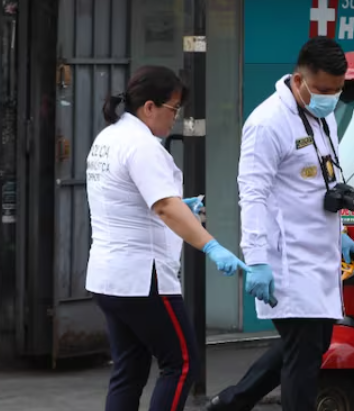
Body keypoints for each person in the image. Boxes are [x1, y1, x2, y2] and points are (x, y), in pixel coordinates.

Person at [205, 37, 354, 411]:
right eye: (324, 90)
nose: (331, 98)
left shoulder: (323, 117)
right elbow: (252, 195)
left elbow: (325, 180)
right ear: (298, 79)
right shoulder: (267, 123)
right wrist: (257, 260)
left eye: (338, 90)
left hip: (320, 252)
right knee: (304, 358)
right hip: (288, 260)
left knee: (312, 344)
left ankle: (231, 403)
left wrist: (342, 233)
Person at [86, 65, 250, 411]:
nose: (175, 118)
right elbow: (164, 207)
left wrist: (178, 204)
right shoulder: (142, 146)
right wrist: (211, 246)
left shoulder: (108, 138)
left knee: (129, 371)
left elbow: (128, 197)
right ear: (149, 107)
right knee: (182, 363)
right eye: (173, 109)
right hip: (143, 278)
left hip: (107, 277)